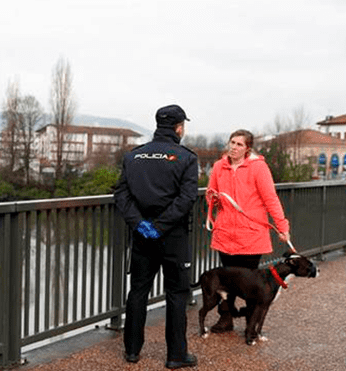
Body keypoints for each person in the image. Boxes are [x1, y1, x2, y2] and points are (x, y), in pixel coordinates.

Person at [114, 104, 198, 369]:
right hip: (172, 237)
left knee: (138, 290)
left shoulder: (134, 156)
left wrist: (141, 224)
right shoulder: (186, 158)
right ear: (179, 127)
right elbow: (186, 199)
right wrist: (161, 226)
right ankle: (175, 356)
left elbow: (122, 195)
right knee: (176, 293)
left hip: (141, 236)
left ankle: (131, 351)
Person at [205, 129, 290, 333]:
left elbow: (271, 199)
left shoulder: (258, 168)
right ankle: (225, 319)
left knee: (250, 283)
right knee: (226, 281)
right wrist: (213, 199)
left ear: (247, 148)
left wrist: (282, 226)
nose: (233, 147)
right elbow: (210, 194)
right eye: (232, 142)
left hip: (251, 236)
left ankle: (251, 323)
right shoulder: (219, 167)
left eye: (239, 144)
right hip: (225, 234)